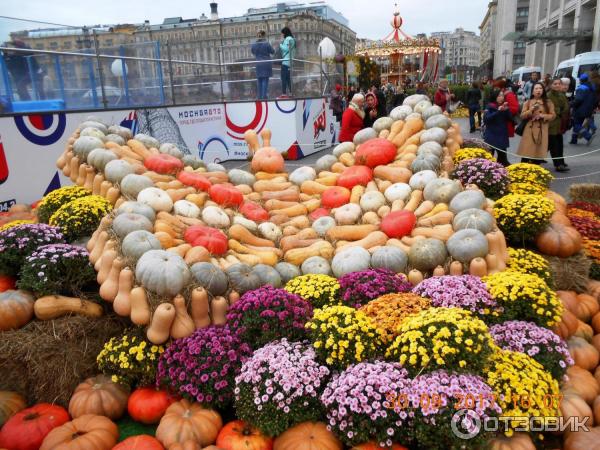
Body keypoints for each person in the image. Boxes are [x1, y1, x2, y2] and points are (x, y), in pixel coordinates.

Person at [517, 82, 556, 164]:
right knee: (526, 154)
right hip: (529, 130)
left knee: (538, 155)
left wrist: (543, 116)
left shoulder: (548, 102)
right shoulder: (528, 102)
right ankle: (523, 173)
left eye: (540, 88)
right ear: (532, 91)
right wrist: (531, 110)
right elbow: (522, 116)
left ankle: (535, 172)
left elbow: (553, 116)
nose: (539, 90)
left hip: (542, 130)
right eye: (536, 88)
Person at [483, 88, 511, 166]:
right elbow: (486, 119)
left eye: (502, 96)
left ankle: (501, 173)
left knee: (503, 160)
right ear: (495, 96)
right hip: (491, 136)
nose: (501, 97)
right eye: (499, 96)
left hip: (502, 136)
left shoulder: (504, 106)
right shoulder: (489, 106)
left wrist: (507, 110)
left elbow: (511, 119)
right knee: (488, 159)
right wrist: (498, 111)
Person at [547, 78, 570, 172]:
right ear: (551, 85)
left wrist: (561, 110)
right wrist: (559, 110)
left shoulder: (562, 95)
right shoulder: (549, 95)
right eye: (555, 84)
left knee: (559, 144)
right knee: (554, 145)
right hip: (551, 124)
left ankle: (561, 161)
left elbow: (566, 107)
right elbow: (550, 108)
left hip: (560, 123)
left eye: (559, 83)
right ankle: (558, 165)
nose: (557, 85)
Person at [570, 73, 596, 145]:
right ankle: (574, 140)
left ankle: (588, 136)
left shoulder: (581, 88)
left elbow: (578, 99)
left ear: (581, 80)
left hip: (580, 109)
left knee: (576, 124)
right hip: (588, 108)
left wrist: (571, 104)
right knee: (578, 124)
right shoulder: (592, 87)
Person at [251, 31, 274, 100]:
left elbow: (252, 52)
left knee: (259, 80)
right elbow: (272, 51)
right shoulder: (266, 43)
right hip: (266, 63)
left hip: (258, 63)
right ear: (264, 36)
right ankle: (264, 96)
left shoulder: (254, 44)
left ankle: (259, 96)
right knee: (265, 80)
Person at [279, 27, 295, 97]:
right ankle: (291, 92)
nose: (281, 35)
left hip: (285, 62)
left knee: (284, 78)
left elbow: (285, 49)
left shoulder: (287, 39)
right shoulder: (292, 39)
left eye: (282, 34)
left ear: (284, 33)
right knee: (288, 78)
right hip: (290, 62)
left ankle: (284, 93)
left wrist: (280, 44)